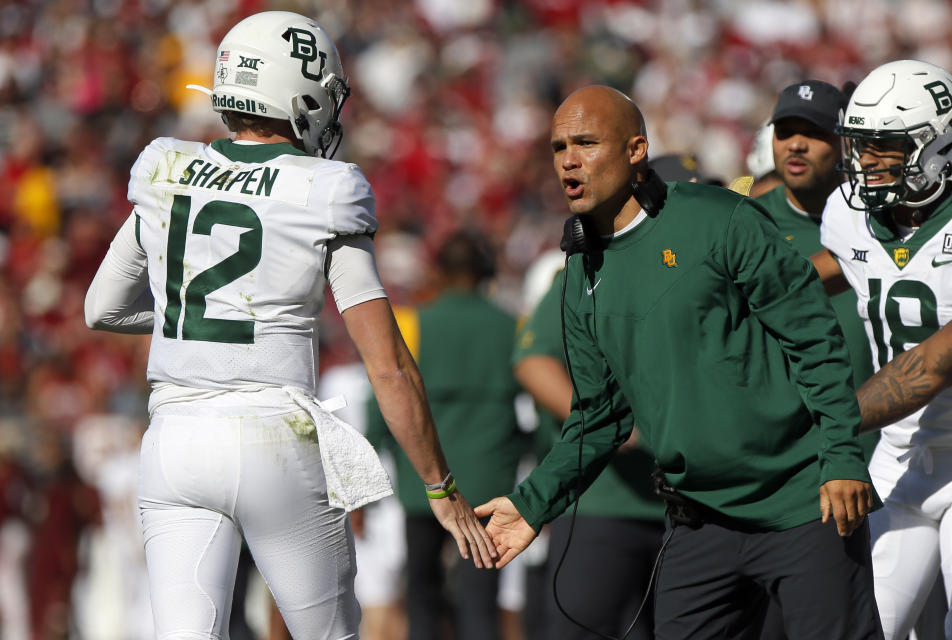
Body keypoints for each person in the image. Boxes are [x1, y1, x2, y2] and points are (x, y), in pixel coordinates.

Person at [82, 11, 494, 640]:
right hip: (271, 434)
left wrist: (196, 325)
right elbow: (387, 363)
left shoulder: (166, 168)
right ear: (297, 93)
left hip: (173, 440)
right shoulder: (326, 188)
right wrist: (440, 487)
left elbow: (102, 308)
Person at [474, 84, 883, 640]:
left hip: (804, 505)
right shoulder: (578, 276)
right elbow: (600, 417)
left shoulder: (722, 219)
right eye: (558, 146)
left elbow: (814, 338)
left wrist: (841, 455)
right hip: (698, 521)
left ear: (636, 149)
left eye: (587, 143)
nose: (568, 159)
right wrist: (531, 504)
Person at [811, 59, 952, 640]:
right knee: (863, 629)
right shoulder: (849, 213)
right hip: (898, 461)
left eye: (884, 146)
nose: (866, 161)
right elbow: (844, 267)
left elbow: (934, 361)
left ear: (937, 145)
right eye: (860, 145)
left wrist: (825, 423)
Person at [366, 229, 521, 640]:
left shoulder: (411, 323)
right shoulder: (513, 327)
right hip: (491, 485)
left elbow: (381, 406)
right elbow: (540, 412)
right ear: (486, 271)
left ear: (439, 271)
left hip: (425, 486)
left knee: (422, 596)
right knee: (481, 599)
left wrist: (363, 487)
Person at [512, 263, 665, 640]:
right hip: (603, 504)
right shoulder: (591, 273)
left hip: (689, 506)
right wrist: (605, 425)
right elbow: (533, 361)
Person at [755, 79, 877, 454]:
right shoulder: (741, 222)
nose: (796, 144)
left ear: (846, 142)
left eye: (814, 132)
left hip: (881, 447)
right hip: (778, 453)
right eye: (786, 131)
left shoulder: (882, 218)